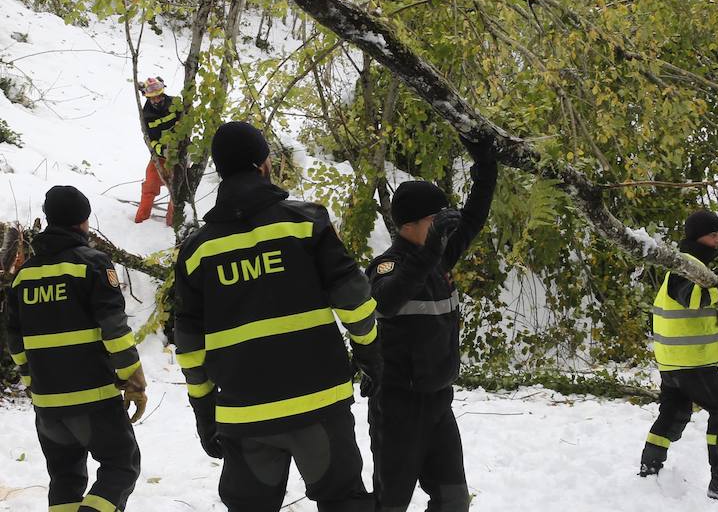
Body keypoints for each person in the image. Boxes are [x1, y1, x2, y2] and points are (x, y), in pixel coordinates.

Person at [174, 121, 380, 512]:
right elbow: (353, 298)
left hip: (244, 413)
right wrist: (371, 354)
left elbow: (189, 343)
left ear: (220, 171)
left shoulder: (197, 250)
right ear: (263, 164)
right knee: (344, 502)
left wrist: (204, 410)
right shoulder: (305, 222)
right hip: (319, 404)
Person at [366, 135, 497, 512]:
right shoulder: (386, 265)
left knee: (453, 501)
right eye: (436, 220)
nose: (445, 227)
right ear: (412, 225)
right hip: (397, 409)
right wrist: (430, 251)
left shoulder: (438, 256)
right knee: (390, 503)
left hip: (439, 404)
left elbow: (474, 217)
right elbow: (387, 301)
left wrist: (486, 167)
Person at [5, 185, 146, 511]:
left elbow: (16, 342)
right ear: (83, 222)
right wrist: (134, 379)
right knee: (121, 465)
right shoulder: (92, 265)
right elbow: (114, 330)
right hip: (94, 398)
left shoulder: (23, 278)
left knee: (65, 479)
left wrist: (32, 384)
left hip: (48, 406)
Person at [638, 209, 718, 499]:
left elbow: (690, 309)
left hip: (673, 360)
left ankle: (649, 471)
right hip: (692, 362)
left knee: (674, 413)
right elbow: (691, 298)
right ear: (698, 237)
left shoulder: (691, 266)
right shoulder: (686, 266)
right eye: (713, 236)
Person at [135, 76, 179, 226]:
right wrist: (161, 150)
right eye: (152, 98)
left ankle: (173, 224)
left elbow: (187, 123)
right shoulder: (146, 115)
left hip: (179, 155)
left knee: (176, 190)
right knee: (150, 185)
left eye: (159, 96)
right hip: (160, 155)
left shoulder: (176, 103)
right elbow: (150, 139)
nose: (156, 100)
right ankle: (141, 220)